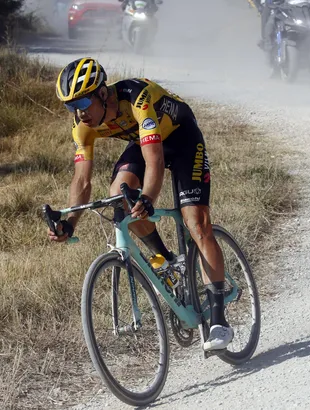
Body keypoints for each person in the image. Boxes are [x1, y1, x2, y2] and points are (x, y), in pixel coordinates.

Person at [48, 57, 233, 351]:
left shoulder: (137, 99)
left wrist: (148, 198)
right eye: (70, 107)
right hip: (144, 140)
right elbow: (82, 181)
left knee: (196, 223)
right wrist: (69, 223)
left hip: (182, 138)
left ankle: (219, 321)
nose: (78, 114)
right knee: (119, 194)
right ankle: (168, 259)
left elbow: (155, 161)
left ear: (102, 93)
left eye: (82, 103)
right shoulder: (81, 126)